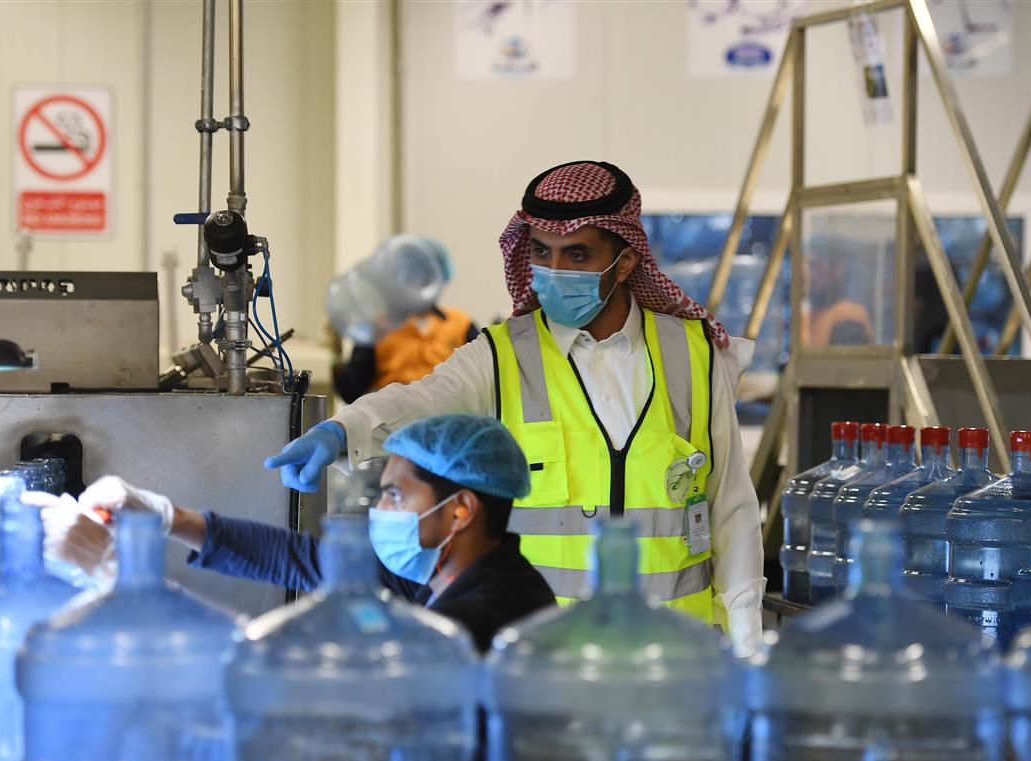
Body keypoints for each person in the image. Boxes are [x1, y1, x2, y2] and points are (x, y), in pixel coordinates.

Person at [265, 160, 766, 658]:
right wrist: (342, 429)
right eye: (541, 252)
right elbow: (420, 400)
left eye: (577, 254)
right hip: (543, 661)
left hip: (675, 661)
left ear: (626, 261)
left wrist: (748, 650)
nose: (554, 271)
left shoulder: (695, 356)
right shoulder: (502, 357)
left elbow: (731, 510)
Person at [42, 415, 555, 653]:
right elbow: (299, 559)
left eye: (396, 496)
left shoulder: (485, 618)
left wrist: (122, 578)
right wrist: (167, 516)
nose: (380, 510)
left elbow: (284, 667)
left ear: (460, 510)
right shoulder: (444, 577)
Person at [330, 235, 478, 404]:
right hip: (392, 417)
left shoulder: (461, 324)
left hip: (449, 415)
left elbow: (482, 380)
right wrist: (335, 352)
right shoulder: (381, 327)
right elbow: (351, 391)